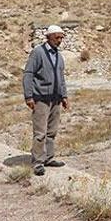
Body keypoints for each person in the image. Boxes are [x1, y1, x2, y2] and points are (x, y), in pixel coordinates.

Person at [23, 24, 70, 176]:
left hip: (55, 98)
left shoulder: (58, 55)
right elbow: (28, 74)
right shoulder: (38, 53)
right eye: (57, 37)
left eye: (62, 37)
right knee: (40, 133)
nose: (60, 40)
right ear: (48, 37)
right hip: (41, 99)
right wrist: (29, 96)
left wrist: (64, 96)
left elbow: (61, 77)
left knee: (52, 131)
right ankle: (37, 162)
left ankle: (49, 158)